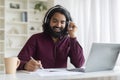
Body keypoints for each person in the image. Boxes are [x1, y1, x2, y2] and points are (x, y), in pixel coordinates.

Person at [17, 5, 85, 71]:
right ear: (48, 21)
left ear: (67, 24)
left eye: (62, 22)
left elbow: (79, 64)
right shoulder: (35, 39)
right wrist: (25, 65)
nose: (58, 25)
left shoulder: (69, 41)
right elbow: (17, 62)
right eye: (55, 21)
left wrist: (72, 35)